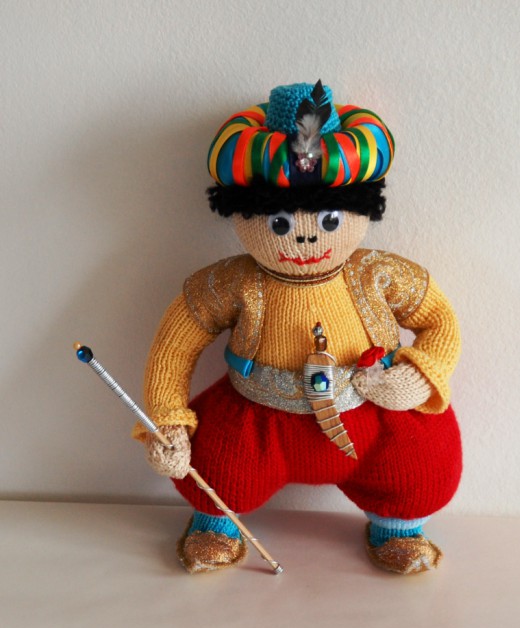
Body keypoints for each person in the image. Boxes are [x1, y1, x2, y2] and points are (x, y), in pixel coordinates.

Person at [134, 82, 462, 575]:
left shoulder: (378, 275)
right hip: (258, 417)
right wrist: (167, 420)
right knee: (217, 464)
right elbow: (175, 345)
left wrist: (422, 371)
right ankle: (217, 522)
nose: (306, 238)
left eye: (329, 220)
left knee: (419, 464)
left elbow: (439, 320)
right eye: (281, 223)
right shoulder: (230, 284)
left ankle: (398, 528)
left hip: (369, 412)